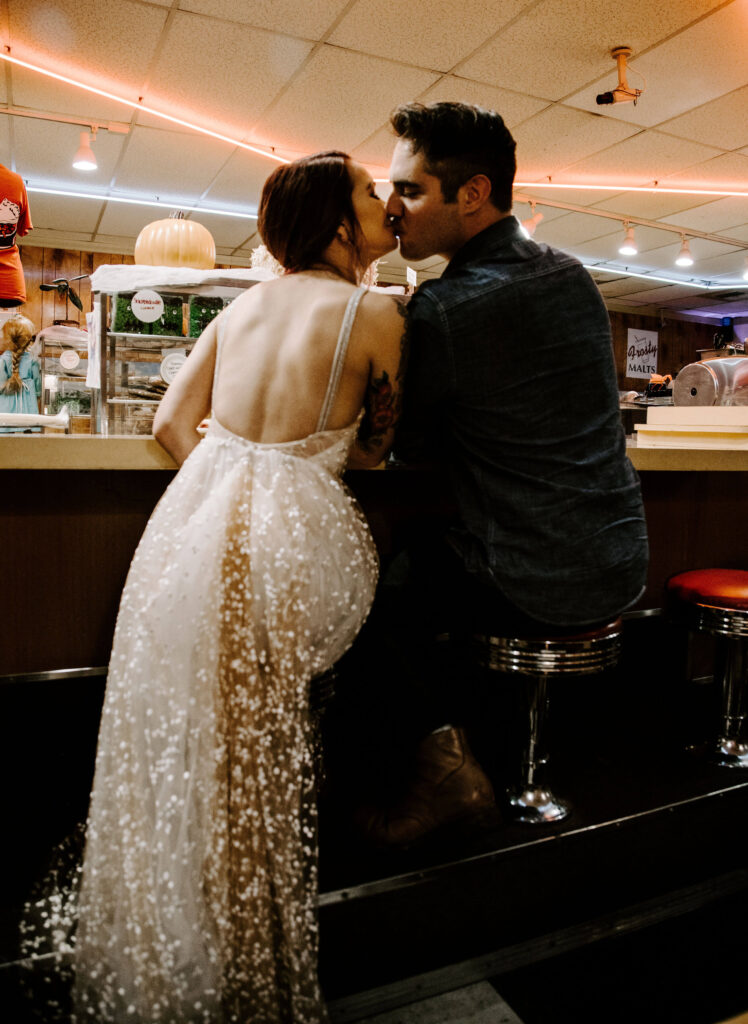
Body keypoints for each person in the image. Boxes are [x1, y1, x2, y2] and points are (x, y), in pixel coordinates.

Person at [58, 151, 406, 1023]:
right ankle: (250, 981)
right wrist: (295, 469)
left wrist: (237, 466)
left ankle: (196, 949)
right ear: (335, 221)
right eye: (371, 193)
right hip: (291, 547)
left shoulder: (243, 308)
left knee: (207, 755)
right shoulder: (378, 311)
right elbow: (374, 450)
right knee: (262, 764)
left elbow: (173, 420)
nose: (388, 204)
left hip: (199, 531)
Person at [356, 101, 648, 847]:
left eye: (411, 191)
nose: (392, 209)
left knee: (366, 587)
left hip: (536, 579)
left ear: (474, 193)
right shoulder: (576, 276)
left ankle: (446, 775)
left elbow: (409, 450)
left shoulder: (446, 310)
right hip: (622, 556)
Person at [0, 313, 40, 431]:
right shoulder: (33, 361)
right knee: (27, 447)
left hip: (5, 416)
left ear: (6, 339)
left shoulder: (2, 361)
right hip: (28, 415)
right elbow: (38, 389)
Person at [0, 162, 33, 306]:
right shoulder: (15, 181)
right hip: (10, 279)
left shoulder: (16, 182)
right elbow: (22, 229)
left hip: (8, 283)